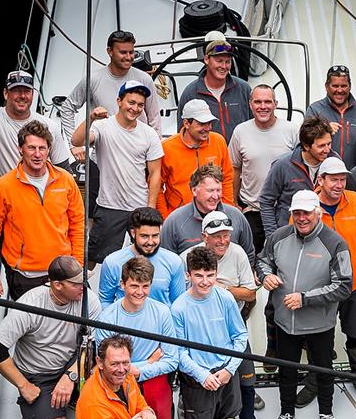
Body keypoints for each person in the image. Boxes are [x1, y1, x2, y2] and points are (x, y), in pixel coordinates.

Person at [257, 190, 353, 419]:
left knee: (323, 369)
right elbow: (262, 261)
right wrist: (266, 276)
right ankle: (286, 412)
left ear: (317, 212)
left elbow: (344, 285)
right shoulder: (279, 236)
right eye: (296, 213)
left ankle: (326, 413)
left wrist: (305, 299)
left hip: (319, 325)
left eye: (306, 213)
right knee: (287, 370)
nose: (301, 218)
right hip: (284, 323)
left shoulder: (335, 243)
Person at [295, 157, 356, 409]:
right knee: (317, 336)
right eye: (333, 179)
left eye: (342, 179)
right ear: (320, 181)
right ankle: (315, 378)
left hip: (354, 282)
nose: (339, 184)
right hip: (319, 285)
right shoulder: (307, 207)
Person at [0, 256, 100, 419]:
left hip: (74, 365)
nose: (83, 286)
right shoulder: (30, 305)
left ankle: (68, 396)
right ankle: (46, 407)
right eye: (76, 284)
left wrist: (70, 376)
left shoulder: (89, 301)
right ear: (57, 285)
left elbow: (92, 344)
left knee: (104, 411)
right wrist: (24, 386)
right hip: (39, 377)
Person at [59, 30, 161, 214]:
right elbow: (67, 108)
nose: (129, 57)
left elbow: (154, 118)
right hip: (102, 161)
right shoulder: (93, 79)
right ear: (109, 51)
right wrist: (73, 146)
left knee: (139, 212)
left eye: (131, 52)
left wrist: (153, 155)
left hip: (137, 159)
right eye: (123, 52)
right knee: (95, 214)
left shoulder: (144, 79)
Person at [183, 210, 264, 419]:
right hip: (200, 331)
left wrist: (222, 290)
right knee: (201, 383)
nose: (222, 241)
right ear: (204, 236)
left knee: (247, 379)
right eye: (216, 235)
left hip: (232, 325)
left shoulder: (237, 252)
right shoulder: (187, 257)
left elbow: (250, 293)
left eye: (226, 235)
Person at [0, 121, 84, 300]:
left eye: (42, 148)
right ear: (20, 149)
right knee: (31, 327)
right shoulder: (3, 187)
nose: (37, 154)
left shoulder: (66, 180)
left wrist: (77, 265)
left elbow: (78, 225)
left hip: (64, 272)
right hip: (25, 277)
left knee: (67, 325)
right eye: (31, 148)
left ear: (49, 149)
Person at [71, 80, 164, 266]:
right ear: (119, 101)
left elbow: (155, 173)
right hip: (109, 207)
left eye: (140, 105)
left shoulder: (149, 134)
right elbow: (77, 141)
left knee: (142, 261)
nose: (135, 108)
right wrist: (91, 118)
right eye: (131, 102)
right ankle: (88, 293)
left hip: (138, 207)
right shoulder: (102, 127)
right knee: (92, 260)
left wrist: (150, 209)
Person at [173, 246, 247, 419]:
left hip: (226, 375)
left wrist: (229, 370)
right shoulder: (179, 308)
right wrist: (202, 376)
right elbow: (178, 352)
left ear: (216, 273)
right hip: (197, 380)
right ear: (188, 275)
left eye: (210, 275)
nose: (205, 281)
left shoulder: (225, 299)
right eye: (198, 275)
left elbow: (240, 337)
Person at [95, 257, 178, 419]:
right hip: (118, 382)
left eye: (145, 286)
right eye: (134, 286)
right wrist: (148, 361)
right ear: (122, 284)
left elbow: (173, 360)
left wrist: (140, 371)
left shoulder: (163, 313)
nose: (140, 293)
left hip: (152, 379)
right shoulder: (107, 318)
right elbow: (105, 366)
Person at [229, 84, 300, 253]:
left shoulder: (291, 130)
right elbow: (234, 168)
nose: (263, 106)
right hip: (253, 211)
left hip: (285, 211)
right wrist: (233, 202)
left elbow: (300, 167)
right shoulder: (240, 131)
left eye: (268, 102)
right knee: (254, 259)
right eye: (258, 102)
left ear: (276, 104)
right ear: (250, 104)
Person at [77, 335, 159, 419]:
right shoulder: (93, 402)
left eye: (125, 363)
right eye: (114, 364)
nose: (121, 369)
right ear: (100, 363)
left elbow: (141, 406)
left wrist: (147, 412)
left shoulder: (126, 378)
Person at [160, 163, 254, 261]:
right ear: (194, 191)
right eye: (210, 191)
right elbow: (166, 261)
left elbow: (249, 255)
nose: (215, 196)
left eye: (218, 190)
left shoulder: (236, 216)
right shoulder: (174, 221)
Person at [157, 99, 233, 219]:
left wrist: (227, 211)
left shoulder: (218, 141)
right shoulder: (167, 148)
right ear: (186, 123)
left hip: (215, 215)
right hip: (179, 217)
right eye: (201, 124)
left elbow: (227, 177)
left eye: (209, 123)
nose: (207, 128)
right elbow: (156, 186)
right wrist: (165, 218)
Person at [259, 116, 335, 236]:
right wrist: (272, 237)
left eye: (329, 144)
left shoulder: (334, 161)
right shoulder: (283, 165)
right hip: (289, 234)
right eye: (321, 146)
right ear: (306, 146)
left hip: (323, 235)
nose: (327, 150)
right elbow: (266, 201)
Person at [99, 207, 186, 308]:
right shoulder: (112, 262)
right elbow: (105, 301)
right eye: (144, 236)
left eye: (155, 236)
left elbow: (178, 303)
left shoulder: (174, 262)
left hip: (161, 323)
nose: (150, 242)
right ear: (133, 233)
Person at [176, 40, 252, 142]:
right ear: (206, 59)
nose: (224, 66)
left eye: (228, 61)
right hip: (208, 156)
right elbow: (182, 132)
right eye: (219, 61)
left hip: (240, 155)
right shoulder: (190, 93)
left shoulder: (244, 89)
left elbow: (255, 125)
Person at [305, 65, 356, 168]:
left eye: (344, 86)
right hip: (322, 176)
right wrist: (324, 129)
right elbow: (305, 141)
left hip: (354, 177)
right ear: (327, 86)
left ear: (350, 86)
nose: (339, 90)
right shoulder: (315, 109)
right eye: (335, 86)